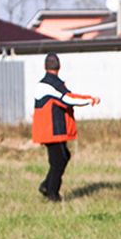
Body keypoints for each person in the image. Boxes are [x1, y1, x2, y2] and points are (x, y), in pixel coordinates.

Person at [32, 52, 100, 201]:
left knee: (62, 157)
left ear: (45, 67)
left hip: (49, 130)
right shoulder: (51, 84)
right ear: (59, 66)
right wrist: (90, 100)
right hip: (52, 130)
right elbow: (68, 99)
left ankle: (47, 185)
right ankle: (52, 193)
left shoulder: (45, 83)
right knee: (59, 160)